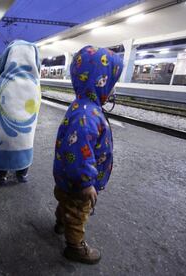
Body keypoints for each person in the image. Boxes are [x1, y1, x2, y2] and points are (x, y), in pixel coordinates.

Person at [53, 46, 123, 264]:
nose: (112, 89)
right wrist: (86, 183)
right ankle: (74, 247)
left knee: (65, 203)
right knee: (78, 213)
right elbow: (80, 151)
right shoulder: (89, 114)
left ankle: (60, 222)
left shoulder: (83, 106)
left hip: (67, 178)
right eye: (111, 82)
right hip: (78, 182)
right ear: (100, 80)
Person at [0, 40, 41, 185]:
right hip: (26, 125)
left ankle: (1, 174)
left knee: (4, 137)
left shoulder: (4, 82)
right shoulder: (35, 85)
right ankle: (23, 173)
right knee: (26, 137)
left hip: (6, 124)